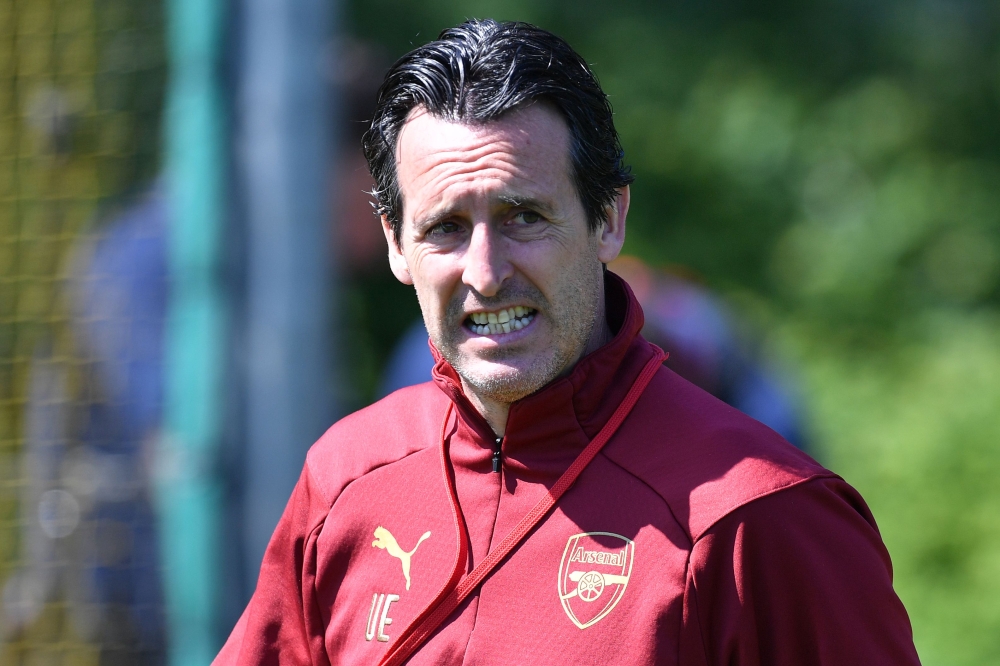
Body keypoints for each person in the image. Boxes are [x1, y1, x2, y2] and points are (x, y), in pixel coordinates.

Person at [215, 20, 919, 665]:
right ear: (397, 245)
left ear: (608, 219)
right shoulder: (345, 478)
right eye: (446, 228)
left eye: (524, 216)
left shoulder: (760, 517)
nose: (486, 274)